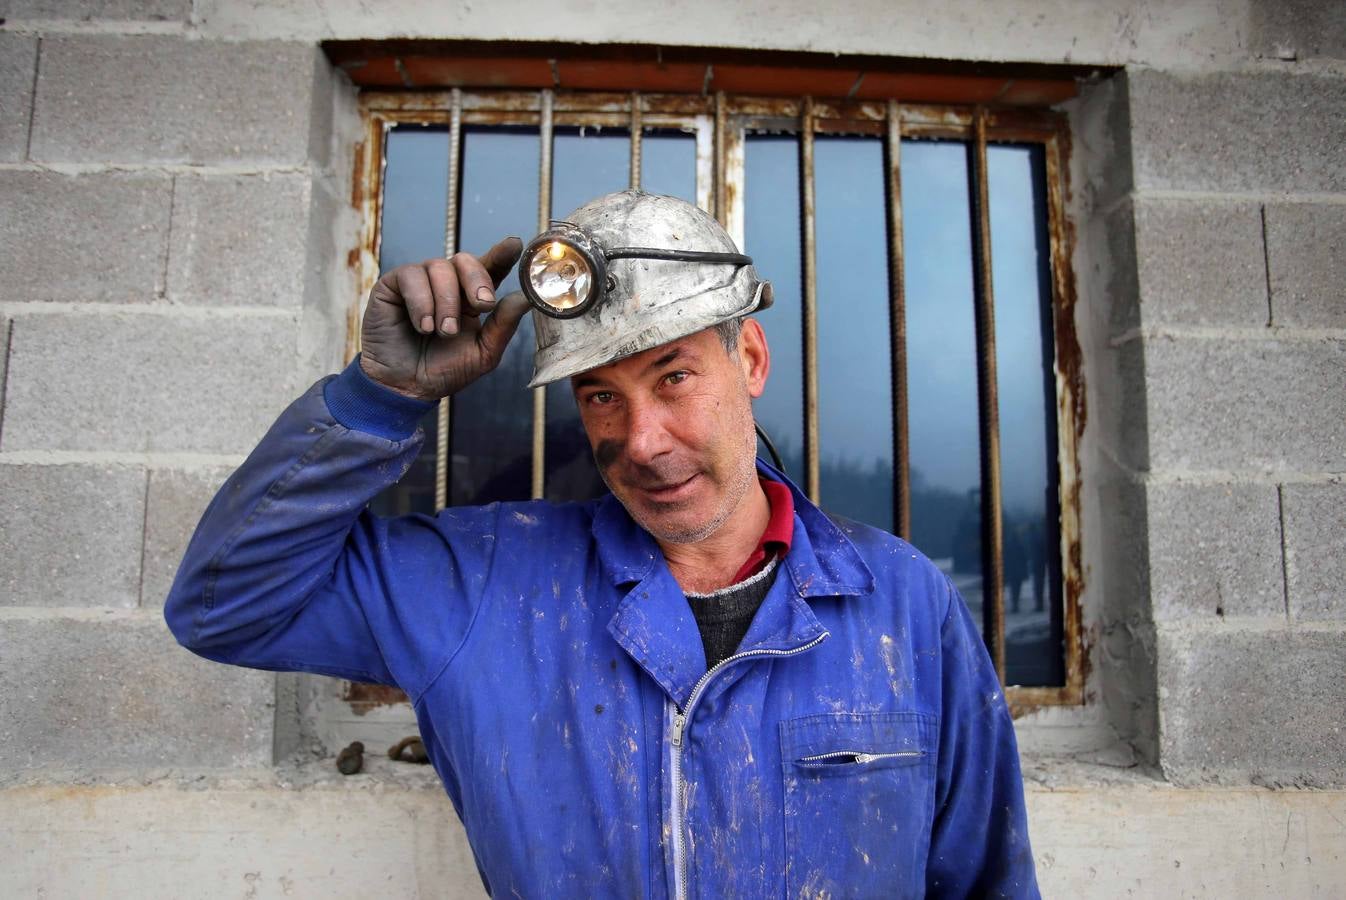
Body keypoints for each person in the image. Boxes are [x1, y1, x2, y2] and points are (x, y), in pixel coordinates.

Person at [166, 191, 1038, 898]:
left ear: (754, 361)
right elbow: (225, 606)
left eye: (675, 378)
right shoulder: (488, 586)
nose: (643, 440)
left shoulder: (902, 603)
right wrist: (380, 397)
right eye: (600, 395)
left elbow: (987, 881)